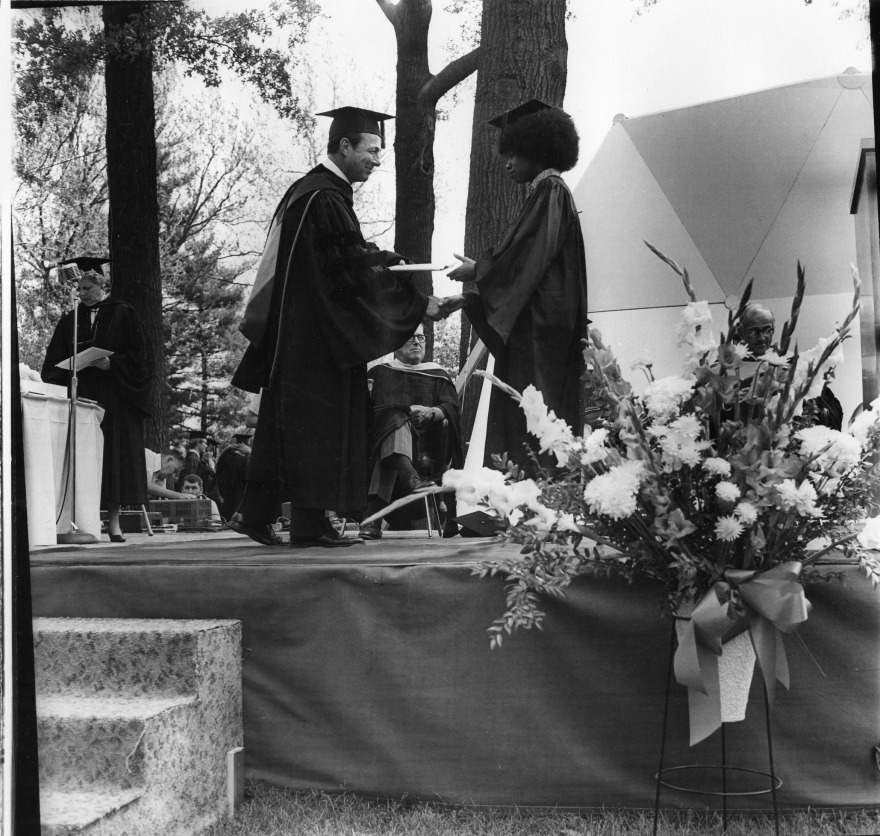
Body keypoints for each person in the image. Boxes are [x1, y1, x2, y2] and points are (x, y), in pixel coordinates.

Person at [229, 105, 442, 548]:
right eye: (373, 149)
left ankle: (255, 514)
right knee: (319, 425)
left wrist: (381, 260)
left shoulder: (312, 192)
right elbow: (343, 277)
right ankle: (309, 525)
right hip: (318, 339)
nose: (378, 160)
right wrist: (413, 301)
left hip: (302, 335)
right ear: (344, 146)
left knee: (288, 425)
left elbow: (341, 258)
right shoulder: (324, 198)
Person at [445, 100, 589, 470]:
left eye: (514, 154)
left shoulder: (552, 191)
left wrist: (481, 271)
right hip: (538, 325)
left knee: (534, 409)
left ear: (536, 151)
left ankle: (529, 502)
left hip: (541, 330)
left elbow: (529, 258)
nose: (507, 163)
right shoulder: (547, 194)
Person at [42, 258, 153, 543]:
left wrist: (113, 363)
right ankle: (82, 521)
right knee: (84, 457)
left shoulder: (123, 313)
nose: (83, 293)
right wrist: (70, 366)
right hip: (83, 394)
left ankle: (114, 523)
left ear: (101, 285)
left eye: (88, 287)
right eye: (80, 288)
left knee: (113, 459)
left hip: (116, 396)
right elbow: (52, 362)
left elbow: (141, 356)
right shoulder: (70, 320)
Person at [359, 325, 464, 540]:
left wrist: (432, 411)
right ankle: (410, 479)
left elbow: (452, 408)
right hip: (377, 445)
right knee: (394, 419)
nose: (417, 342)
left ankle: (373, 519)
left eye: (421, 338)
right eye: (410, 337)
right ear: (395, 344)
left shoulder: (438, 375)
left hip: (426, 449)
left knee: (393, 427)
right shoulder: (380, 373)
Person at [735, 303, 843, 430]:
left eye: (767, 330)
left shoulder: (791, 361)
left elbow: (820, 401)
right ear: (741, 332)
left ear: (773, 330)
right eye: (753, 331)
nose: (761, 337)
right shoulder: (728, 368)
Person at [215, 427, 253, 521]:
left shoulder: (225, 456)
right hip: (239, 494)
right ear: (244, 446)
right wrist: (250, 454)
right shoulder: (243, 459)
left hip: (225, 493)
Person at [177, 430, 222, 505]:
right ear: (198, 443)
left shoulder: (193, 457)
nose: (206, 445)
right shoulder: (193, 459)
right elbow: (190, 480)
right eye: (205, 443)